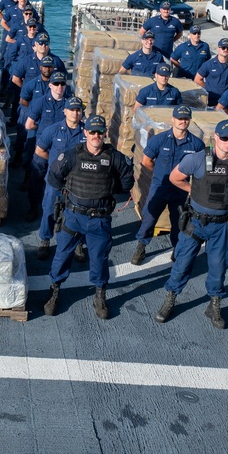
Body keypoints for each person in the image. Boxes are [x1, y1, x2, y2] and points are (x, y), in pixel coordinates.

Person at [153, 119, 228, 330]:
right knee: (182, 263)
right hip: (196, 222)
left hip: (222, 225)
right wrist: (193, 191)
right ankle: (171, 297)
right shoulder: (197, 159)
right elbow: (175, 177)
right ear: (215, 137)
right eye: (224, 138)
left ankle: (214, 303)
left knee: (218, 267)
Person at [43, 115, 134, 320]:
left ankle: (100, 294)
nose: (96, 136)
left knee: (100, 260)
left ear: (104, 134)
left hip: (99, 220)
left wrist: (108, 190)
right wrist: (67, 193)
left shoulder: (114, 157)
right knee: (62, 256)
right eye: (92, 132)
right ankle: (55, 289)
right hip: (73, 216)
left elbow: (127, 180)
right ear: (85, 133)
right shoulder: (73, 155)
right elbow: (54, 176)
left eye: (99, 132)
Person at [131, 105, 206, 265]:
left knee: (178, 221)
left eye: (186, 118)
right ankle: (141, 246)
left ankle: (176, 249)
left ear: (189, 120)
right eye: (179, 118)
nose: (182, 121)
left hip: (180, 191)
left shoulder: (197, 144)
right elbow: (146, 161)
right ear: (173, 119)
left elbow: (205, 167)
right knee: (149, 218)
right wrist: (159, 174)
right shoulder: (160, 139)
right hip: (160, 187)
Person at [33, 97, 87, 260]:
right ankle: (45, 240)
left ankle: (78, 243)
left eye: (78, 110)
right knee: (49, 209)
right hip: (56, 180)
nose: (75, 113)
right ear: (65, 111)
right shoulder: (53, 130)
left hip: (78, 182)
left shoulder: (87, 132)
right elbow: (39, 151)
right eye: (72, 109)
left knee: (78, 213)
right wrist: (55, 163)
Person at [23, 71, 73, 218]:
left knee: (62, 181)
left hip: (62, 149)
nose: (59, 87)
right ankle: (33, 207)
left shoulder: (70, 104)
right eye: (56, 84)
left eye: (62, 84)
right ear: (50, 85)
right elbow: (29, 124)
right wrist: (46, 132)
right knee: (37, 178)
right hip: (43, 148)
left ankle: (61, 210)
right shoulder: (41, 102)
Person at [195, 38, 228, 107]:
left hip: (225, 100)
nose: (225, 50)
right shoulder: (209, 64)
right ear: (218, 49)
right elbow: (197, 79)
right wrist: (208, 88)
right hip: (211, 98)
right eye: (223, 48)